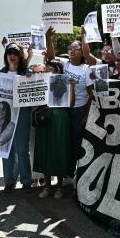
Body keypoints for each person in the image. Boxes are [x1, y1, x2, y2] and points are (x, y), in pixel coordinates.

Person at [44, 27, 94, 179]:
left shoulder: (86, 69)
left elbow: (91, 95)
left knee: (76, 143)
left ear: (81, 52)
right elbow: (51, 58)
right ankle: (66, 174)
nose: (72, 51)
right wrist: (49, 38)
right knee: (65, 142)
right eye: (70, 48)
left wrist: (86, 116)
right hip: (64, 109)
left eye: (76, 48)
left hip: (79, 110)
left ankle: (76, 176)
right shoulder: (65, 64)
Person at [34, 60, 75, 199]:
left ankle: (59, 187)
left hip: (60, 119)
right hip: (45, 118)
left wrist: (72, 87)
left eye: (53, 69)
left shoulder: (65, 82)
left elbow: (70, 104)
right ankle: (46, 186)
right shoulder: (41, 81)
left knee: (59, 151)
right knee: (45, 151)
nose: (50, 71)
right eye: (48, 69)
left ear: (59, 71)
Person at [0, 42, 33, 191]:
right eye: (9, 53)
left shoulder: (27, 71)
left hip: (23, 113)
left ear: (20, 56)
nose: (12, 56)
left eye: (15, 53)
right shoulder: (0, 72)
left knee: (22, 149)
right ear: (6, 56)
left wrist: (31, 78)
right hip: (5, 114)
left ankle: (26, 181)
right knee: (6, 148)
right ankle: (9, 181)